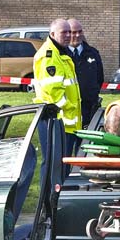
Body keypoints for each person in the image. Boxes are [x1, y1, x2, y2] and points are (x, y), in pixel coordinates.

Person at [33, 18, 82, 177]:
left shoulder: (61, 52)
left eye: (70, 31)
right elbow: (54, 92)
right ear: (52, 34)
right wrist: (70, 107)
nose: (68, 35)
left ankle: (57, 200)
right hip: (55, 121)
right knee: (54, 167)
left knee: (62, 167)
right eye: (64, 32)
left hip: (65, 122)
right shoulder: (49, 56)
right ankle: (49, 201)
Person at [68, 18, 104, 127]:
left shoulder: (92, 53)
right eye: (74, 32)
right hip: (69, 109)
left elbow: (99, 78)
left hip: (89, 108)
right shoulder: (61, 54)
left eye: (80, 31)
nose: (78, 35)